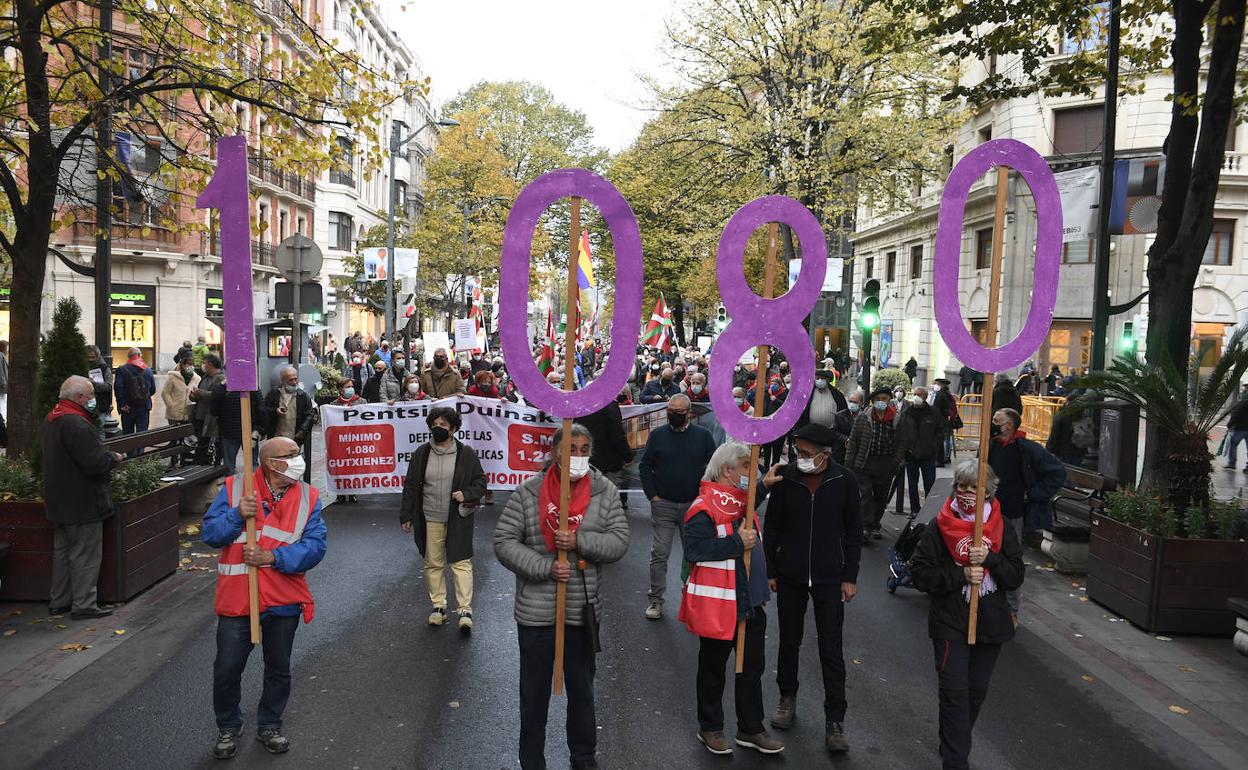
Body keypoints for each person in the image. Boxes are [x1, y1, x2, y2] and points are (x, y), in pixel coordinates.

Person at [494, 423, 629, 770]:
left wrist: (580, 542)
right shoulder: (528, 492)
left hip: (581, 612)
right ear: (555, 452)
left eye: (585, 450)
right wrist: (544, 567)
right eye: (572, 449)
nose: (579, 456)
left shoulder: (605, 491)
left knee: (582, 695)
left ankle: (583, 760)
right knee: (534, 697)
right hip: (536, 614)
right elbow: (504, 542)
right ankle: (532, 761)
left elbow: (618, 542)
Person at [201, 436, 328, 760]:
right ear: (271, 463)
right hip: (238, 599)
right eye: (292, 454)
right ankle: (228, 727)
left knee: (279, 667)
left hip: (283, 599)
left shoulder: (308, 497)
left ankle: (270, 724)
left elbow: (316, 546)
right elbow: (211, 535)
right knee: (227, 669)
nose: (299, 459)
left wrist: (273, 559)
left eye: (299, 453)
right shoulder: (235, 489)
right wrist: (236, 515)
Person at [910, 460, 1024, 770]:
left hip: (990, 623)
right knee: (954, 692)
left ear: (988, 491)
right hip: (950, 622)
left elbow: (1015, 576)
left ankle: (953, 737)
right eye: (962, 486)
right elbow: (920, 574)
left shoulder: (1001, 527)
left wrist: (991, 559)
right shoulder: (939, 525)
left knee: (975, 693)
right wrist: (961, 574)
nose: (967, 493)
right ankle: (955, 760)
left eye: (975, 487)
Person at [762, 423, 862, 754]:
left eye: (806, 453)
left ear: (825, 454)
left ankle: (835, 720)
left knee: (831, 649)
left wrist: (850, 575)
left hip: (830, 576)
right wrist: (771, 569)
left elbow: (853, 532)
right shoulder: (787, 477)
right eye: (797, 451)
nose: (799, 458)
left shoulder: (843, 480)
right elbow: (772, 526)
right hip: (790, 575)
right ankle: (786, 699)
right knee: (789, 641)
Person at [681, 442, 783, 756]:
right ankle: (710, 727)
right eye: (746, 468)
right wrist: (738, 543)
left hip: (749, 602)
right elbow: (694, 550)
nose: (752, 474)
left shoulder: (737, 500)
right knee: (713, 669)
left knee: (751, 668)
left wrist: (764, 486)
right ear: (727, 470)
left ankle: (750, 728)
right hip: (720, 606)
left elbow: (744, 506)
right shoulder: (704, 507)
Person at [400, 407, 488, 631]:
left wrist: (466, 495)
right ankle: (438, 606)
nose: (437, 429)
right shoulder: (421, 453)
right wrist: (406, 515)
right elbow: (410, 485)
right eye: (435, 425)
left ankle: (464, 610)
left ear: (454, 429)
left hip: (457, 517)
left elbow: (480, 483)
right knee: (433, 562)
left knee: (460, 562)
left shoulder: (466, 454)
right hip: (429, 516)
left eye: (443, 425)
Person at [43, 376, 124, 619]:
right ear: (79, 397)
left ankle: (59, 601)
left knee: (63, 552)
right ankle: (84, 604)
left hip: (59, 499)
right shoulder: (76, 423)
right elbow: (94, 463)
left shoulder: (52, 417)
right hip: (82, 500)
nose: (92, 400)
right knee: (85, 555)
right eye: (89, 395)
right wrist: (114, 459)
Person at [638, 393, 717, 619]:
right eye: (670, 412)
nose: (672, 416)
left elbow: (713, 466)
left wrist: (705, 496)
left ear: (688, 413)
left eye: (678, 413)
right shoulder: (657, 435)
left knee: (694, 554)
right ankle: (655, 600)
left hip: (693, 506)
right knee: (659, 554)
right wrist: (652, 495)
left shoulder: (703, 436)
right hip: (663, 503)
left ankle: (694, 598)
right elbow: (645, 466)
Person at [986, 408, 1066, 620]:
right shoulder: (991, 446)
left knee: (1010, 560)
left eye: (997, 420)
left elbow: (1057, 473)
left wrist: (1033, 494)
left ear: (1009, 425)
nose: (992, 423)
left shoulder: (1027, 449)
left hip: (1013, 514)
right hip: (987, 512)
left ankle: (1011, 610)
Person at [844, 386, 909, 540]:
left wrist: (896, 461)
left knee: (881, 497)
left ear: (889, 400)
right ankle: (865, 526)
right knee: (865, 495)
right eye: (877, 399)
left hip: (886, 464)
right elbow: (853, 441)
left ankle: (875, 525)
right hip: (866, 462)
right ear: (872, 401)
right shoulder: (863, 417)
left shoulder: (897, 418)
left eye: (884, 399)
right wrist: (849, 464)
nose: (881, 402)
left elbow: (902, 441)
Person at [577, 397, 633, 510]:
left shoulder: (581, 405)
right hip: (607, 462)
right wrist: (628, 456)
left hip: (585, 460)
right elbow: (617, 435)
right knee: (605, 501)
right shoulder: (610, 406)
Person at [901, 386, 944, 518]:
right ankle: (914, 510)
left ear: (925, 397)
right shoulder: (907, 413)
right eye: (914, 394)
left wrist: (934, 448)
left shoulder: (934, 413)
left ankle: (929, 511)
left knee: (929, 483)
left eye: (919, 394)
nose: (916, 396)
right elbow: (902, 433)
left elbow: (940, 432)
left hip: (927, 455)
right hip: (911, 455)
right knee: (912, 484)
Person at [211, 380, 266, 476]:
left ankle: (230, 488)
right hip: (250, 431)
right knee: (252, 464)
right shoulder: (252, 387)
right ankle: (254, 487)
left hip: (229, 431)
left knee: (229, 466)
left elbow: (214, 411)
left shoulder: (223, 388)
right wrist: (259, 429)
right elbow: (261, 410)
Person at [263, 366, 316, 447]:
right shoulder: (273, 394)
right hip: (276, 438)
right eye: (291, 380)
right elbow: (264, 411)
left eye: (296, 379)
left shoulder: (302, 396)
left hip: (295, 438)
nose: (294, 382)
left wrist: (302, 431)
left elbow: (309, 415)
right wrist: (275, 411)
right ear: (283, 380)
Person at [114, 347, 156, 435]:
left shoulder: (122, 370)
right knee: (142, 434)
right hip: (144, 407)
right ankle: (140, 449)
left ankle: (130, 449)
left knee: (128, 434)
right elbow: (152, 389)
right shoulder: (148, 370)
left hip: (128, 407)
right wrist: (143, 396)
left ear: (128, 357)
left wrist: (122, 404)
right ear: (140, 355)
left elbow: (118, 388)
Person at [161, 355, 200, 427]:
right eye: (188, 364)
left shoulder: (197, 378)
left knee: (186, 435)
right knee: (174, 435)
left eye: (192, 365)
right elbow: (165, 393)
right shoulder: (172, 377)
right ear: (182, 365)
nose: (190, 367)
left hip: (189, 413)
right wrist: (171, 405)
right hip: (174, 413)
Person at [830, 391, 862, 466]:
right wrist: (845, 439)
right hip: (841, 454)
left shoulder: (865, 416)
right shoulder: (840, 415)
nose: (852, 404)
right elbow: (833, 431)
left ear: (861, 403)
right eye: (850, 401)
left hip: (857, 456)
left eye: (855, 402)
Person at [931, 378, 957, 466]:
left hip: (941, 420)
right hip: (945, 419)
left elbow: (936, 408)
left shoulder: (940, 395)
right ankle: (945, 457)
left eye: (936, 384)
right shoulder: (947, 394)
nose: (935, 386)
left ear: (941, 385)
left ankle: (941, 459)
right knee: (945, 439)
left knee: (941, 440)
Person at [86, 344, 115, 418]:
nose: (90, 360)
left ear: (97, 356)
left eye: (92, 357)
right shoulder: (82, 367)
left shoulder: (104, 369)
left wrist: (93, 384)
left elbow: (108, 386)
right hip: (85, 406)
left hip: (101, 406)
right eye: (88, 357)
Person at [1224, 394, 1248, 470]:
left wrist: (1229, 425)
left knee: (1233, 444)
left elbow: (1235, 414)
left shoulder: (1242, 404)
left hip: (1240, 429)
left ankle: (1232, 463)